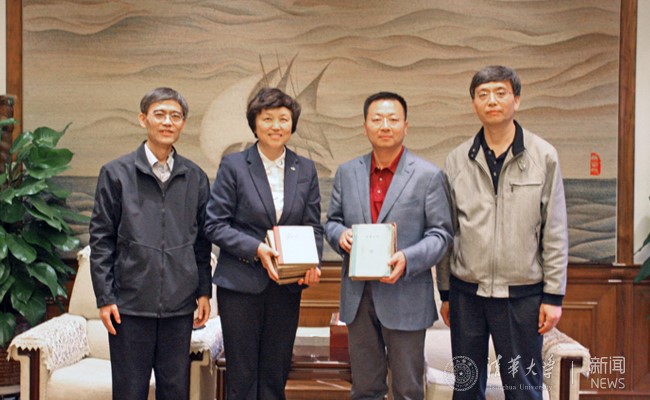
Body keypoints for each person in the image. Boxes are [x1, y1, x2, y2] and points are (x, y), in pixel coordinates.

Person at [439, 65, 568, 399]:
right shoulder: (457, 160)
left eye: (500, 93)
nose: (492, 101)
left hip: (522, 296)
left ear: (517, 100)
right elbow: (447, 231)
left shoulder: (543, 156)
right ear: (474, 103)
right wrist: (446, 293)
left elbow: (554, 231)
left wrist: (553, 297)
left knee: (522, 388)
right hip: (467, 294)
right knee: (466, 387)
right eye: (483, 94)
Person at [325, 91, 453, 400]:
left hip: (406, 296)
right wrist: (339, 235)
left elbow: (441, 234)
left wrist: (408, 258)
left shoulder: (428, 175)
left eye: (393, 119)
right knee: (364, 389)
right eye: (377, 119)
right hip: (358, 297)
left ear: (405, 126)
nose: (385, 125)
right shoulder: (347, 172)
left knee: (408, 390)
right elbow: (332, 221)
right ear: (365, 126)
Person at [89, 87, 212, 400]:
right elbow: (101, 239)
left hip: (179, 307)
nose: (167, 122)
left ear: (183, 123)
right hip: (129, 306)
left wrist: (203, 291)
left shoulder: (195, 177)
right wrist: (105, 297)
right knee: (130, 392)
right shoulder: (116, 173)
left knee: (175, 391)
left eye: (175, 116)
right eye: (160, 114)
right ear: (143, 119)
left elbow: (202, 242)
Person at [204, 87, 323, 400]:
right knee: (242, 377)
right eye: (267, 118)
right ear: (254, 124)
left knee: (275, 374)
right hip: (241, 286)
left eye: (283, 119)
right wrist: (256, 248)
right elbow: (214, 224)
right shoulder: (234, 165)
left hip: (286, 286)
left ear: (292, 124)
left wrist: (312, 264)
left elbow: (313, 226)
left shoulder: (305, 168)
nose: (276, 126)